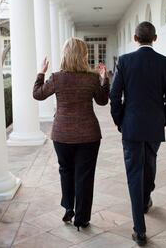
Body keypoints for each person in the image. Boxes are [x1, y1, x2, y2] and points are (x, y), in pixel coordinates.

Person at [110, 21, 166, 246]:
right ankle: (146, 198)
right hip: (153, 126)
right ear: (155, 38)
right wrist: (165, 119)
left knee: (134, 175)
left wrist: (120, 121)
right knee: (149, 164)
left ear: (135, 38)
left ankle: (139, 229)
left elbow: (114, 96)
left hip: (131, 126)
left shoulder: (125, 61)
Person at [33, 37, 110, 230]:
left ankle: (68, 208)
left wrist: (41, 73)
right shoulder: (91, 78)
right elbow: (102, 101)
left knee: (66, 171)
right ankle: (82, 218)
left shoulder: (57, 78)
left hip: (62, 135)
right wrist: (104, 79)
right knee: (85, 176)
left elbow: (38, 94)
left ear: (65, 54)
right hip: (89, 135)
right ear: (84, 55)